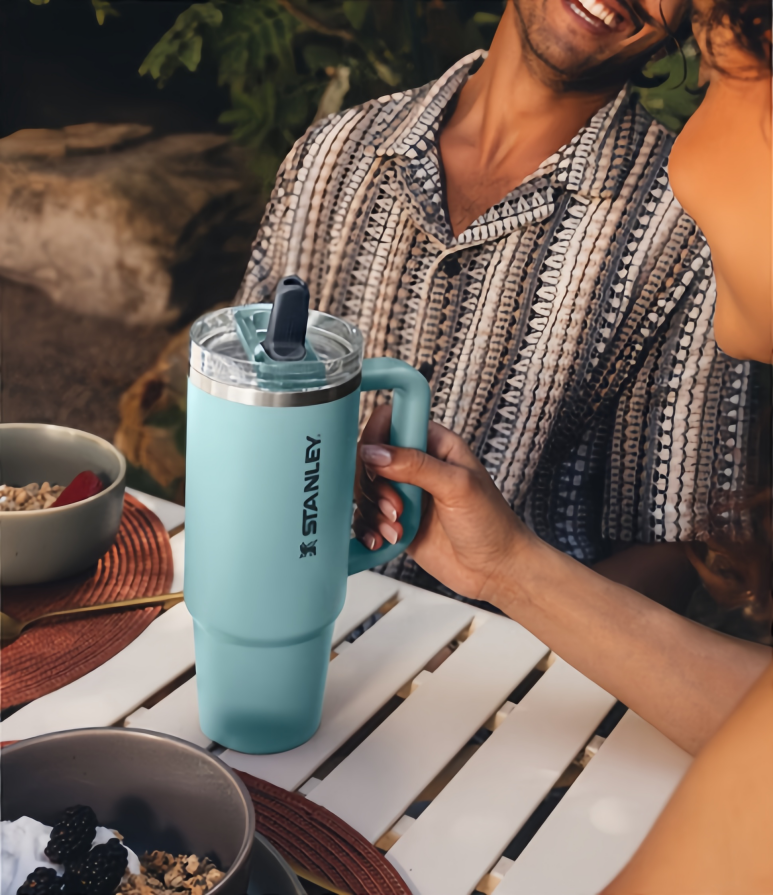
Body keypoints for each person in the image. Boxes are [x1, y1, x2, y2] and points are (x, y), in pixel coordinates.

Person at [356, 1, 773, 889]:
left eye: (713, 83)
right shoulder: (334, 151)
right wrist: (504, 567)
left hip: (515, 749)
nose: (686, 152)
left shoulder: (673, 221)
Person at [237, 0, 761, 609]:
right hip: (284, 613)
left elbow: (681, 545)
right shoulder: (331, 152)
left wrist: (494, 631)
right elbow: (236, 398)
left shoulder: (689, 229)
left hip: (507, 662)